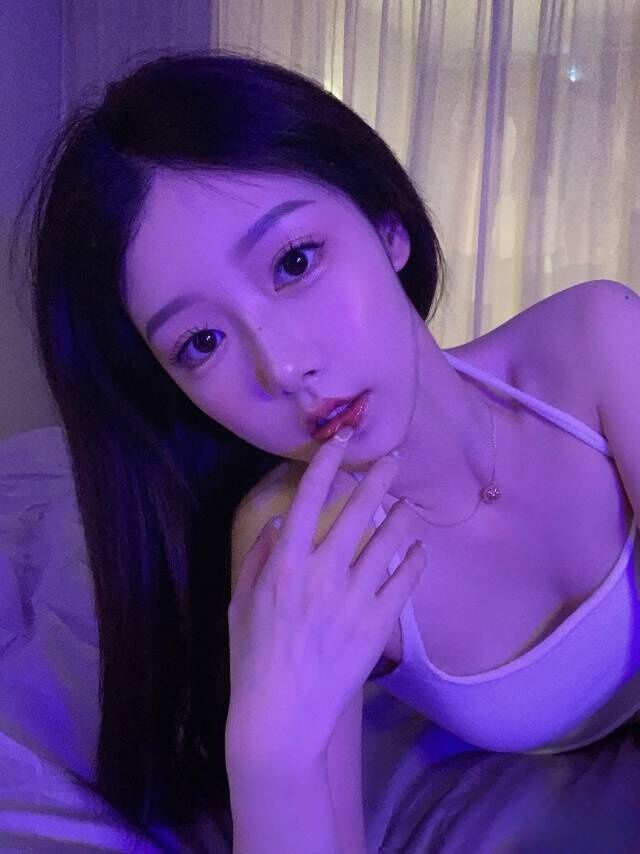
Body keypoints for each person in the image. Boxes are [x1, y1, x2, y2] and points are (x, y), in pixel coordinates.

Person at [9, 47, 640, 852]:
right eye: (201, 342)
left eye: (294, 263)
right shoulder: (299, 543)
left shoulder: (594, 341)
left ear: (388, 227)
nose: (282, 368)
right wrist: (267, 753)